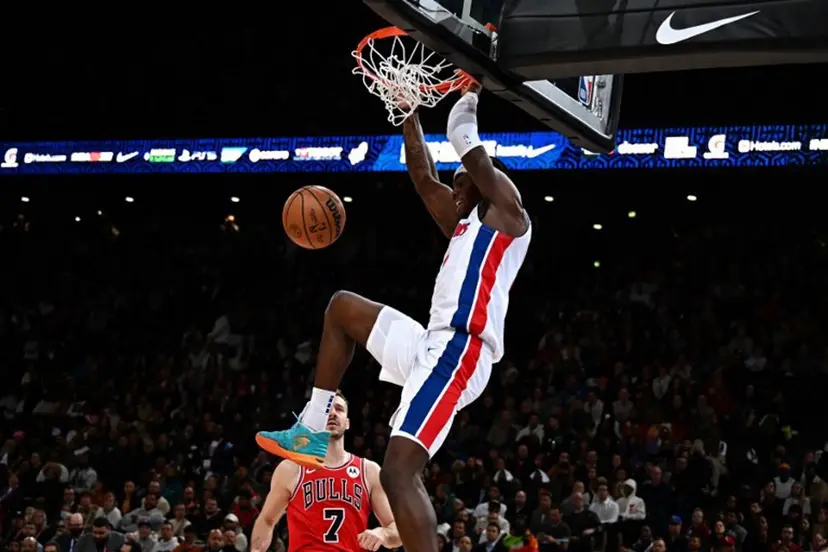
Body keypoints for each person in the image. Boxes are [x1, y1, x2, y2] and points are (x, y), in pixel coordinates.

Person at [256, 82, 531, 552]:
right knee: (341, 307)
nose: (452, 187)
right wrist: (408, 113)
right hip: (432, 344)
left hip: (460, 352)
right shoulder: (464, 224)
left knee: (399, 470)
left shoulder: (507, 216)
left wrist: (470, 90)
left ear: (482, 185)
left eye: (460, 182)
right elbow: (423, 178)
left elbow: (464, 136)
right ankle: (310, 428)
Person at [250, 391, 401, 552]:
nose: (333, 413)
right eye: (327, 409)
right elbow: (267, 520)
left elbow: (397, 530)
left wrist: (383, 534)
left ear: (347, 422)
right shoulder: (291, 468)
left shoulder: (368, 471)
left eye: (339, 409)